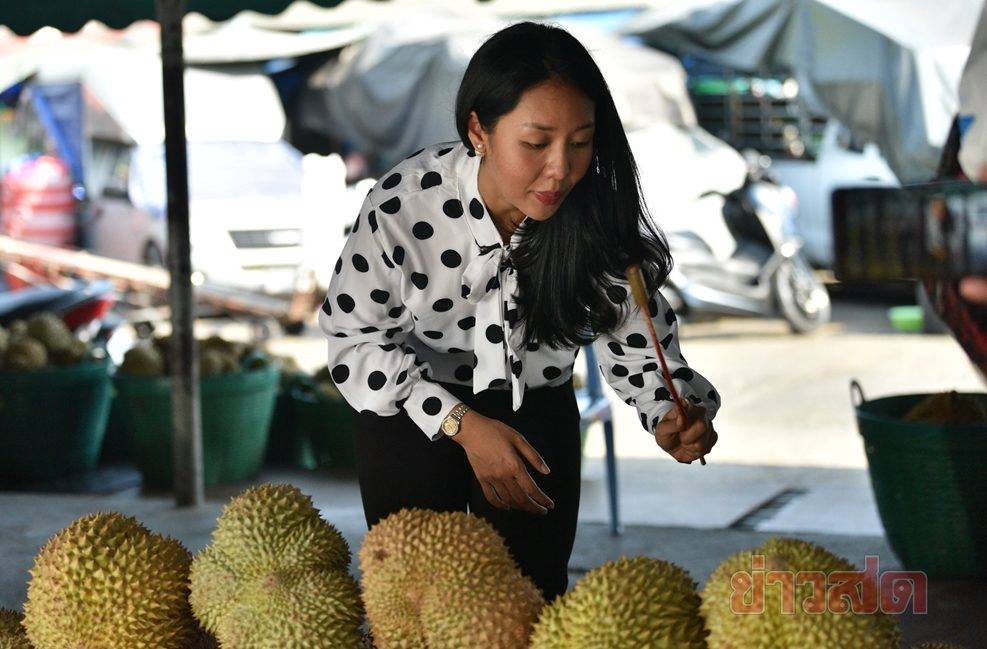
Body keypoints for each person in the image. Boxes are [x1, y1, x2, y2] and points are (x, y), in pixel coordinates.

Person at [317, 22, 719, 600]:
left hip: (536, 405)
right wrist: (463, 424)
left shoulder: (596, 219)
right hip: (407, 404)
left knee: (528, 599)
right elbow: (352, 342)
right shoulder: (405, 204)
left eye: (580, 142)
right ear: (479, 130)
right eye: (536, 143)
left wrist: (672, 415)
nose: (561, 169)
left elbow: (640, 347)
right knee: (410, 598)